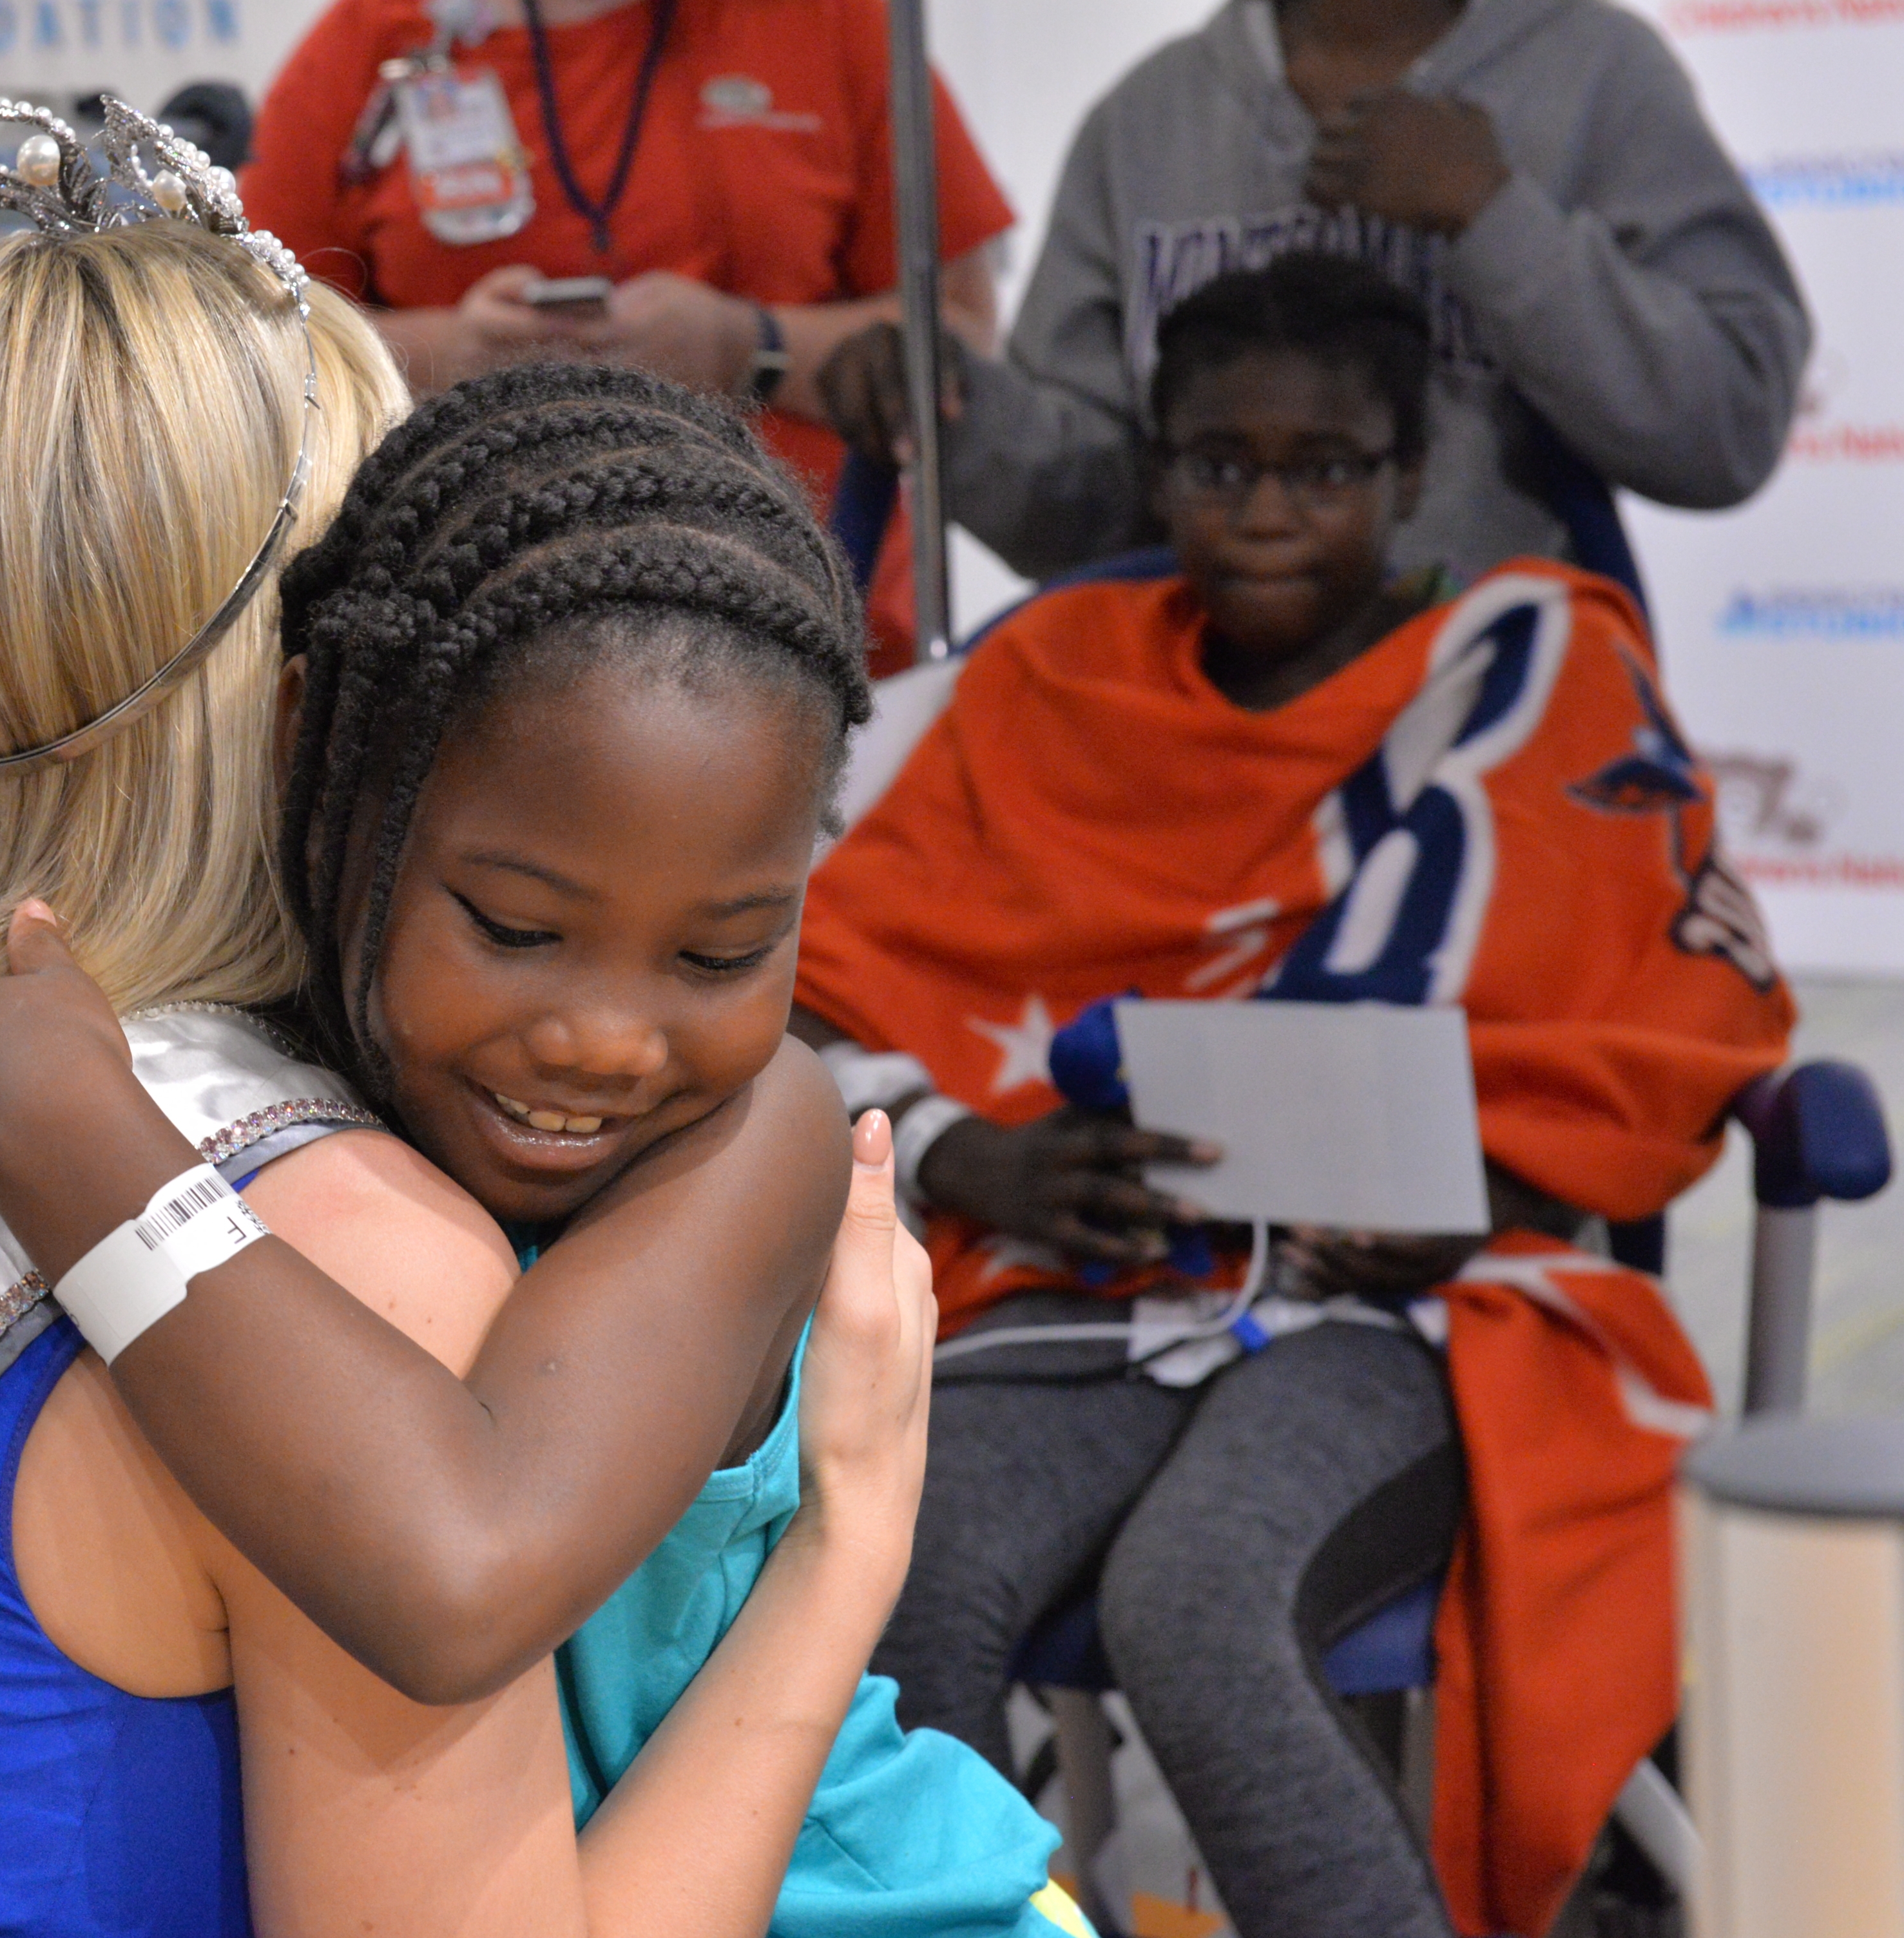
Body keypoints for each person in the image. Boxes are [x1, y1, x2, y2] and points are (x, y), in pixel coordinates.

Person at [0, 102, 1083, 1933]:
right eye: (516, 915)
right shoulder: (240, 1180)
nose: (606, 1036)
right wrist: (843, 1551)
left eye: (717, 951)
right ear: (328, 721)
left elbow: (458, 1562)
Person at [792, 253, 1793, 1938]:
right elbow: (825, 965)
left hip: (1421, 1302)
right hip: (1091, 1276)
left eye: (1321, 468)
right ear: (1159, 464)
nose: (1264, 508)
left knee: (1198, 1605)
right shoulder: (1055, 680)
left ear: (1407, 478)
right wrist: (973, 1155)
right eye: (1216, 464)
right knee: (894, 1574)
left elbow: (1652, 1011)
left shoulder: (1534, 673)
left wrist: (1485, 1187)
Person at [820, 0, 1808, 618]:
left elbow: (1726, 427)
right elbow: (1098, 515)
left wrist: (1494, 217)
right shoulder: (1150, 117)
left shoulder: (1598, 75)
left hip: (1499, 736)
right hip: (1205, 754)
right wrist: (954, 412)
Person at [240, 0, 1012, 669]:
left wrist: (747, 348)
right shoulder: (371, 43)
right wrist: (453, 357)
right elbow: (249, 346)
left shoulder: (831, 24)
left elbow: (965, 336)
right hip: (462, 642)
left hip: (817, 624)